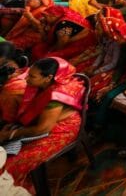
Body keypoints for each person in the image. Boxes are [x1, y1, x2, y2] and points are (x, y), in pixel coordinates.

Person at [2, 58, 85, 191]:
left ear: (48, 78)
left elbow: (43, 128)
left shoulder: (56, 96)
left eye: (32, 77)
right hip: (48, 122)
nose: (26, 79)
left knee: (11, 163)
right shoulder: (46, 85)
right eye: (29, 74)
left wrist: (11, 134)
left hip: (63, 129)